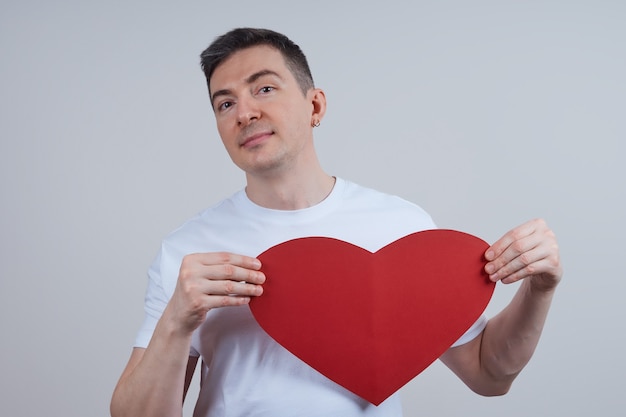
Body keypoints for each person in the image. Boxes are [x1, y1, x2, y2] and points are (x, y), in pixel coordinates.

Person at [110, 28, 562, 417]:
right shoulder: (188, 251)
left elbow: (488, 374)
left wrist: (538, 290)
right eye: (224, 104)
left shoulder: (402, 228)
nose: (244, 113)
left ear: (315, 106)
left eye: (264, 89)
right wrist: (176, 321)